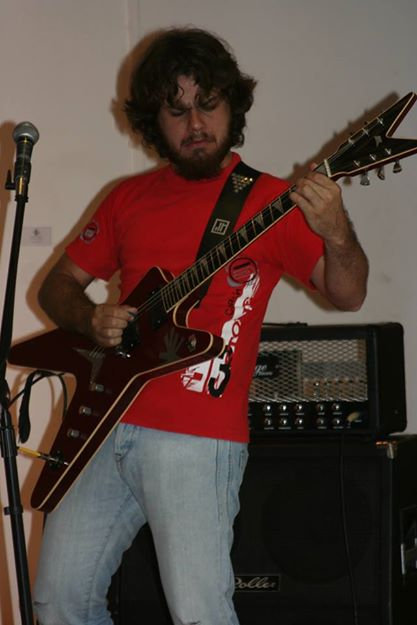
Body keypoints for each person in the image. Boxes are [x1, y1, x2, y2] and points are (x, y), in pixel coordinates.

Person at [32, 27, 368, 625]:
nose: (195, 123)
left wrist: (338, 232)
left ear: (232, 106)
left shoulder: (270, 201)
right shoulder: (127, 198)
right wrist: (90, 318)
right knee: (58, 601)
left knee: (199, 613)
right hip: (102, 425)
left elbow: (349, 293)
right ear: (152, 122)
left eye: (208, 103)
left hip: (195, 436)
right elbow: (56, 287)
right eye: (176, 110)